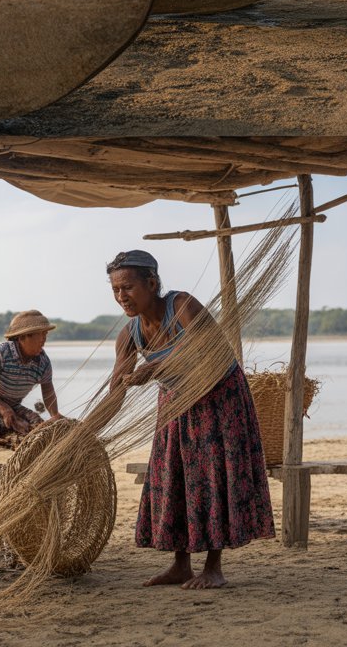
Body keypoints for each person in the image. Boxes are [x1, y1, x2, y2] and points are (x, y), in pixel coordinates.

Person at [106, 249, 274, 589]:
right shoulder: (130, 334)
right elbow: (116, 390)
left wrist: (155, 368)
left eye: (128, 287)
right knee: (175, 476)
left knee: (213, 475)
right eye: (115, 290)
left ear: (151, 283)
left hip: (219, 398)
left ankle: (213, 567)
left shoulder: (182, 305)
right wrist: (84, 433)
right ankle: (181, 565)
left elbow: (207, 349)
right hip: (175, 404)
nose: (121, 296)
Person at [0, 309, 64, 439]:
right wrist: (5, 410)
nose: (44, 339)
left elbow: (48, 392)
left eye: (46, 334)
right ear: (23, 337)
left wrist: (55, 415)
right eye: (41, 334)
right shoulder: (1, 353)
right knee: (7, 425)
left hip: (13, 406)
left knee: (37, 425)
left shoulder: (43, 362)